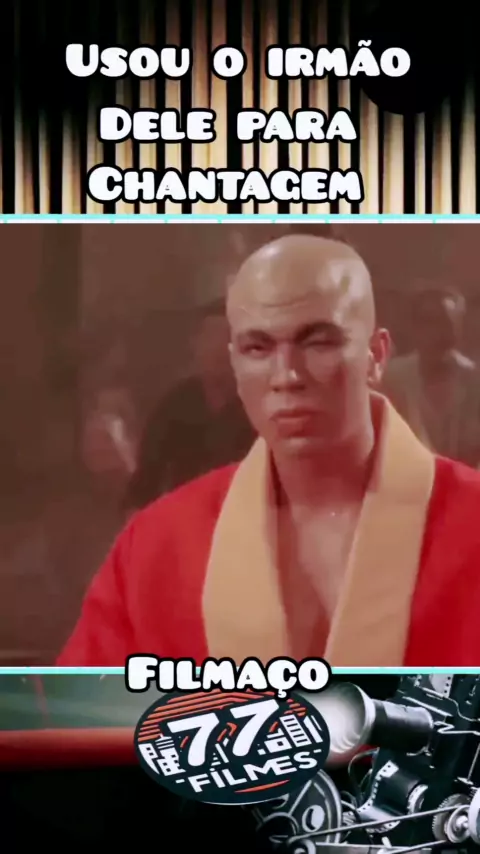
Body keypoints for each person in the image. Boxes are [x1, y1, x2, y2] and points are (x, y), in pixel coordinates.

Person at [58, 235, 480, 667]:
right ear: (235, 361)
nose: (286, 376)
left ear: (376, 355)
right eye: (258, 348)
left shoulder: (470, 521)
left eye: (318, 342)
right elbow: (81, 705)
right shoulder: (157, 545)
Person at [124, 299, 254, 510]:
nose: (217, 349)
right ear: (196, 345)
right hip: (185, 515)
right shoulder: (176, 405)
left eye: (226, 338)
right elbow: (145, 481)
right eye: (210, 337)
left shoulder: (257, 406)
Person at [382, 284, 480, 467]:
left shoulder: (474, 382)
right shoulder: (393, 379)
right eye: (430, 322)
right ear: (415, 327)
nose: (439, 334)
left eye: (448, 324)